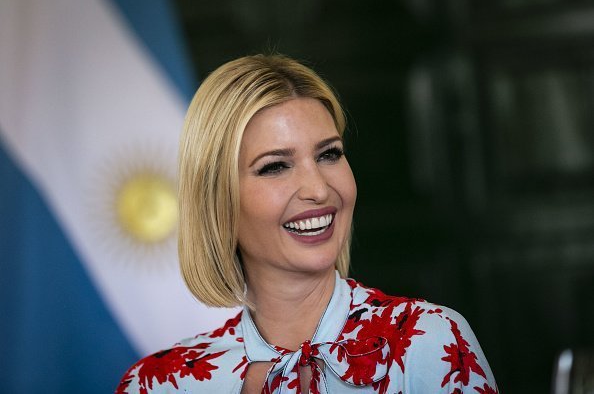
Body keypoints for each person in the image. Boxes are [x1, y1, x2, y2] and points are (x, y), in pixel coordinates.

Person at [116, 54, 498, 394]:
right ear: (218, 203)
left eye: (329, 154)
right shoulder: (159, 383)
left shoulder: (427, 342)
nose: (318, 189)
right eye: (275, 166)